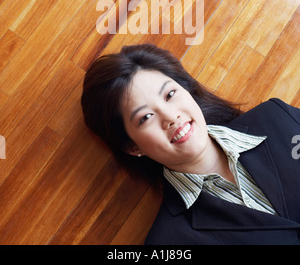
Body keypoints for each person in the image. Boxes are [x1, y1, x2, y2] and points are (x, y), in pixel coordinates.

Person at [81, 43, 300, 245]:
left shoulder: (277, 117)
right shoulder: (169, 241)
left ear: (188, 90)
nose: (170, 116)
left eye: (170, 94)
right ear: (132, 147)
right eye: (146, 117)